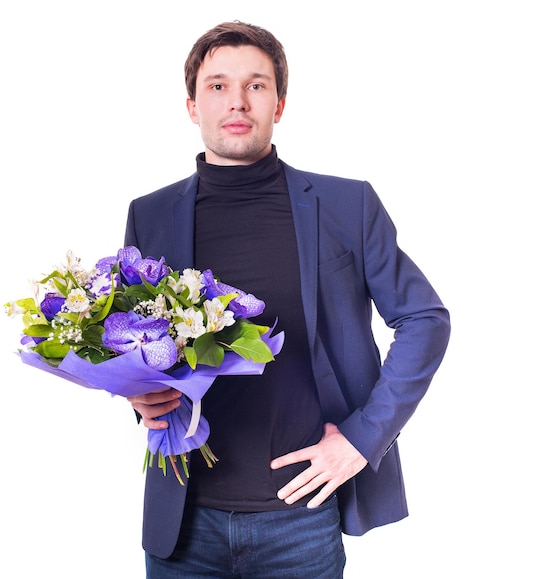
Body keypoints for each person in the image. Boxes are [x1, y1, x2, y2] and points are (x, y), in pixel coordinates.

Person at [124, 21, 450, 578]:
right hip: (182, 521)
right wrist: (140, 396)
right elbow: (137, 342)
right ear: (191, 105)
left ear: (279, 104)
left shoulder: (348, 205)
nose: (237, 101)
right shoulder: (148, 215)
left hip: (301, 520)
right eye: (218, 85)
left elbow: (424, 318)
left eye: (256, 85)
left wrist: (363, 438)